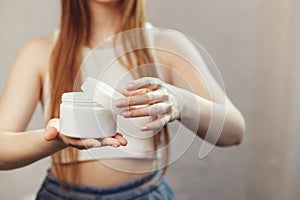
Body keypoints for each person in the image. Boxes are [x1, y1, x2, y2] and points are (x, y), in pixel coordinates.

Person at [0, 0, 246, 199]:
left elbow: (234, 132)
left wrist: (181, 102)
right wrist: (56, 138)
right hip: (59, 194)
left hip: (145, 193)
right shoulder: (40, 52)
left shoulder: (165, 46)